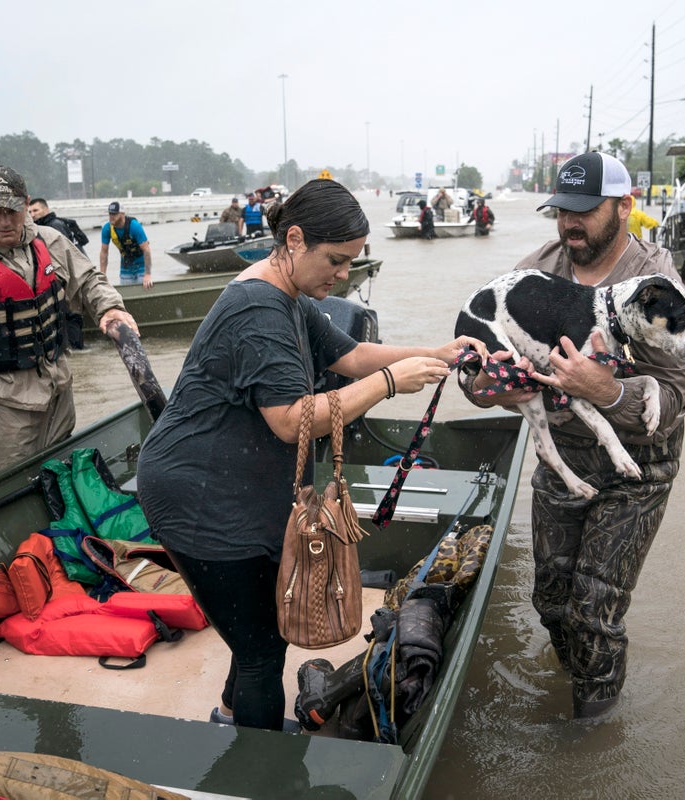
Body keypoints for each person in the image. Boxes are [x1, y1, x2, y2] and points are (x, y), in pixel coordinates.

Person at [134, 179, 487, 732]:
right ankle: (259, 773)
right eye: (337, 260)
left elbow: (352, 355)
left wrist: (434, 351)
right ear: (294, 239)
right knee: (262, 652)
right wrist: (392, 383)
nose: (344, 275)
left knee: (258, 630)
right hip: (197, 496)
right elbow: (293, 420)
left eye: (352, 262)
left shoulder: (289, 297)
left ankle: (227, 717)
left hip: (239, 484)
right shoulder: (256, 307)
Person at [462, 152, 685, 719]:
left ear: (624, 206)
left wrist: (604, 389)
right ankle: (582, 684)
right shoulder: (541, 266)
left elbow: (671, 404)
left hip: (639, 466)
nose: (570, 223)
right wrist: (483, 385)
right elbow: (481, 364)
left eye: (585, 211)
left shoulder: (658, 286)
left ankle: (591, 736)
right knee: (551, 602)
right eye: (562, 210)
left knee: (594, 614)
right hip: (563, 457)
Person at [0, 166, 139, 475]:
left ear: (25, 204)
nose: (4, 221)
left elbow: (89, 279)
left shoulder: (51, 241)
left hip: (58, 392)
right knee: (16, 485)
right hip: (5, 406)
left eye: (11, 210)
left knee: (64, 477)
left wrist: (110, 308)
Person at [99, 201, 152, 289]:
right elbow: (104, 253)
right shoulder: (107, 229)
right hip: (126, 266)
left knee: (144, 289)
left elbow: (146, 250)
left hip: (141, 265)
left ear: (122, 214)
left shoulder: (135, 226)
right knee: (126, 292)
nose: (111, 217)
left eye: (114, 214)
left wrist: (148, 274)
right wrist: (102, 276)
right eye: (110, 214)